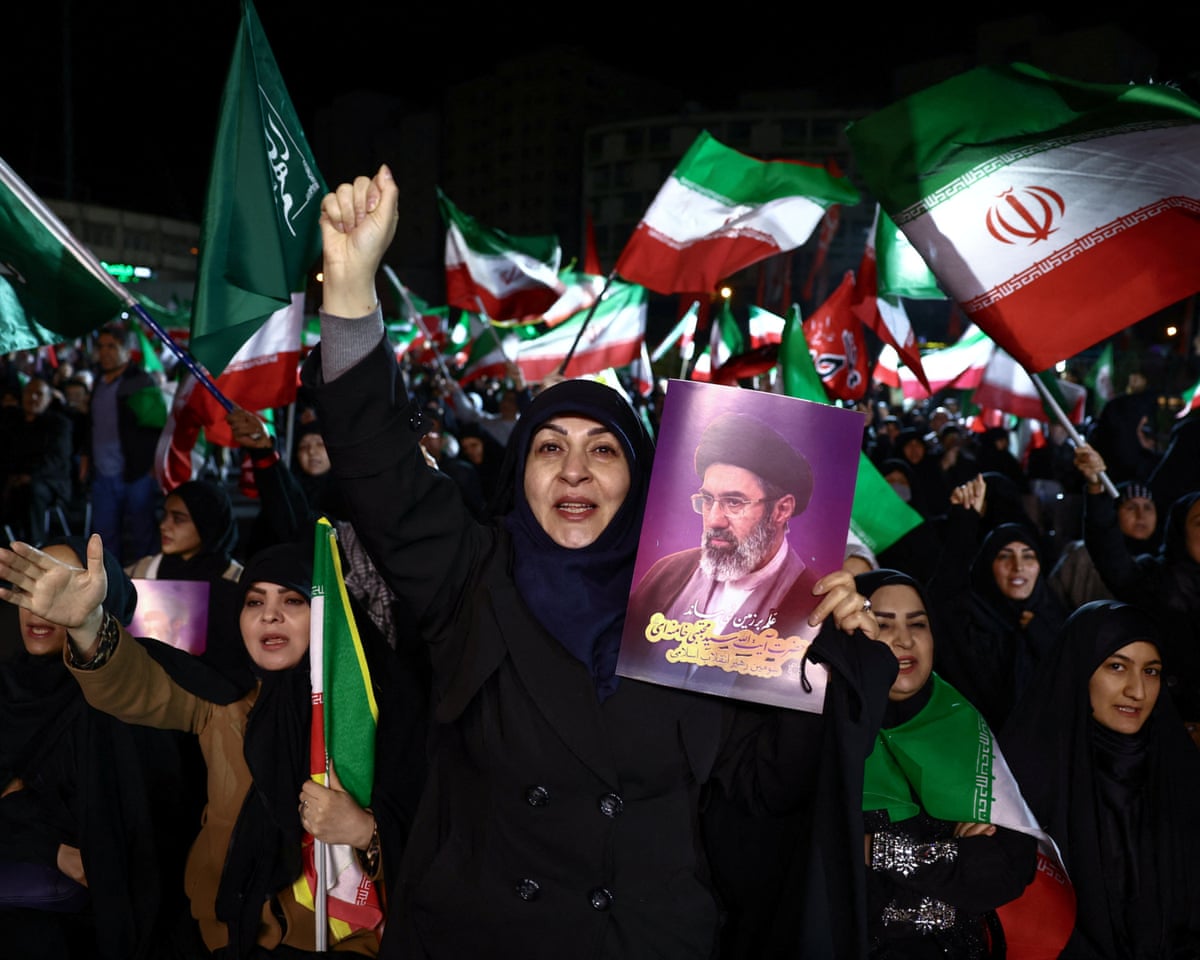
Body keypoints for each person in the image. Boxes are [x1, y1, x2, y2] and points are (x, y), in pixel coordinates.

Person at [300, 164, 898, 959]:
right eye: (549, 447)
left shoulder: (707, 607)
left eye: (603, 450)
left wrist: (818, 660)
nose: (575, 471)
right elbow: (378, 466)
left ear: (642, 482)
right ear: (521, 475)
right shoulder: (470, 577)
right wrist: (349, 290)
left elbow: (764, 785)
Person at [0, 537, 389, 957]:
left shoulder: (373, 716)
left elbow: (432, 847)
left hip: (340, 941)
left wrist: (362, 831)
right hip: (226, 937)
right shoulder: (225, 703)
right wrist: (86, 625)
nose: (270, 615)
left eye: (292, 601)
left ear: (327, 616)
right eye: (254, 602)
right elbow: (135, 684)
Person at [0, 537, 182, 960]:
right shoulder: (9, 685)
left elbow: (111, 844)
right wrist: (47, 844)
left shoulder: (121, 704)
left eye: (61, 587)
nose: (38, 607)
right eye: (30, 587)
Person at [856, 568, 1051, 959]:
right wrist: (953, 855)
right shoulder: (827, 736)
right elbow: (849, 894)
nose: (905, 640)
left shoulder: (963, 726)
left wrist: (878, 849)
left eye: (918, 624)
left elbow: (1008, 871)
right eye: (883, 625)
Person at [1000, 601, 1200, 957]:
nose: (1137, 691)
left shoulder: (1180, 771)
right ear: (1080, 670)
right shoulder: (1022, 777)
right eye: (1117, 667)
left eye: (1151, 671)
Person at [926, 475, 1069, 733]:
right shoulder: (972, 621)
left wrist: (1040, 635)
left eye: (1028, 556)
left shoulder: (1056, 619)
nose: (1018, 567)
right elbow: (945, 594)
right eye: (1004, 556)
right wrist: (965, 521)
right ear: (987, 567)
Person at [1076, 442, 1200, 734]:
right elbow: (1110, 557)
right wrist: (1095, 488)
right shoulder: (1155, 579)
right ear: (1181, 531)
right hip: (1169, 729)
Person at [86, 324, 166, 564]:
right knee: (104, 539)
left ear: (127, 351)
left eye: (112, 346)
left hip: (136, 472)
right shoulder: (98, 381)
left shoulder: (141, 382)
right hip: (102, 475)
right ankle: (109, 584)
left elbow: (157, 426)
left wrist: (153, 466)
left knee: (143, 536)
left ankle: (147, 582)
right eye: (101, 347)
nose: (105, 352)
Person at [1049, 480, 1158, 609]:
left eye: (1147, 508)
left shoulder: (1161, 564)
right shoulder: (1083, 554)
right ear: (1114, 512)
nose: (1141, 516)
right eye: (1131, 507)